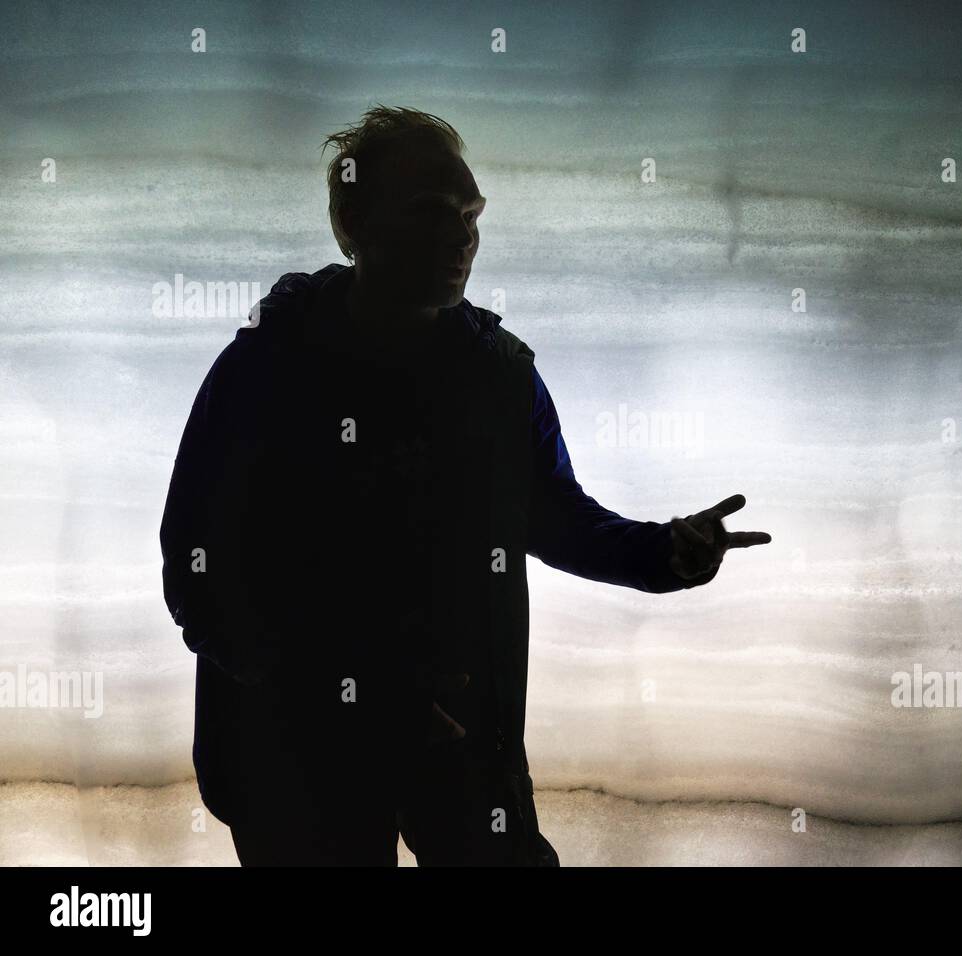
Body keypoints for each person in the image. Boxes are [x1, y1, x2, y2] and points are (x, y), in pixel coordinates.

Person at [159, 105, 771, 866]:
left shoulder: (499, 377)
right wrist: (340, 687)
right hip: (292, 760)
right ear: (353, 222)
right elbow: (198, 570)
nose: (462, 236)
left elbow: (554, 518)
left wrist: (664, 553)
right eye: (430, 212)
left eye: (471, 214)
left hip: (457, 737)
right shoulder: (265, 369)